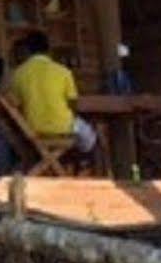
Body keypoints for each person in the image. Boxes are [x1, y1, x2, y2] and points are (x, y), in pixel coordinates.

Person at [8, 30, 97, 164]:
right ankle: (82, 165)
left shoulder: (18, 74)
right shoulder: (63, 71)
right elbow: (74, 105)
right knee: (91, 137)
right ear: (48, 49)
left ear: (27, 50)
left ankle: (58, 164)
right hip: (63, 128)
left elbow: (16, 105)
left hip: (33, 130)